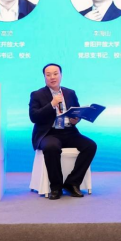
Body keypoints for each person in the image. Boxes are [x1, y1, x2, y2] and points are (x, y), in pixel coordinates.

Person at [29, 63, 97, 200]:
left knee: (90, 145)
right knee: (52, 147)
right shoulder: (37, 94)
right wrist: (51, 104)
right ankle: (56, 187)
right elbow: (34, 117)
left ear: (61, 75)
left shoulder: (70, 93)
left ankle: (72, 183)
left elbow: (77, 112)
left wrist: (76, 120)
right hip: (49, 133)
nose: (52, 77)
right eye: (48, 75)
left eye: (55, 74)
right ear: (44, 77)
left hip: (69, 131)